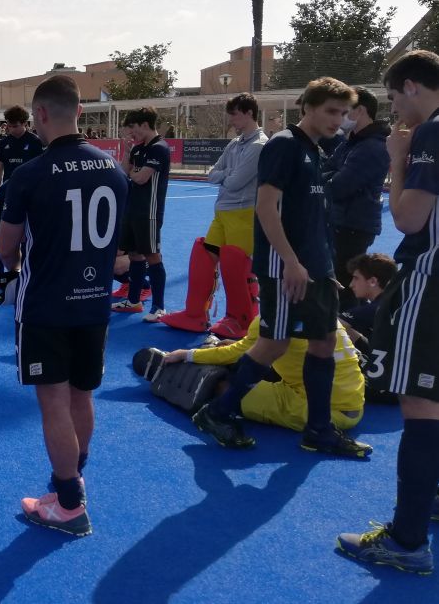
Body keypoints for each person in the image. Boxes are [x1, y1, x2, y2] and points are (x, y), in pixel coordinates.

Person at [192, 77, 372, 458]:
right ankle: (217, 411)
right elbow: (265, 207)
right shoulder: (285, 145)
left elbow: (312, 215)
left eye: (343, 113)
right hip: (285, 267)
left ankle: (319, 430)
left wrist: (325, 270)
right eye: (331, 111)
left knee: (323, 343)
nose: (338, 120)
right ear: (307, 107)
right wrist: (290, 261)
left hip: (316, 269)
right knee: (274, 343)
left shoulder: (315, 150)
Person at [0, 75, 128, 537]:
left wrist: (14, 263)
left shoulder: (29, 174)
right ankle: (71, 481)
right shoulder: (113, 169)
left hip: (46, 305)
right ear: (80, 111)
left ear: (41, 114)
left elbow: (7, 246)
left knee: (52, 400)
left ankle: (69, 503)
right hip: (94, 303)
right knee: (81, 395)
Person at [338, 50, 439, 574]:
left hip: (430, 281)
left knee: (420, 405)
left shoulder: (429, 135)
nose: (396, 109)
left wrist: (399, 158)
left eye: (396, 96)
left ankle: (406, 540)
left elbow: (408, 216)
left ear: (414, 87)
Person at [161, 93, 268, 339]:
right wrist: (227, 174)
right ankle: (195, 314)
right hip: (223, 211)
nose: (231, 120)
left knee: (236, 264)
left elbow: (235, 181)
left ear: (249, 113)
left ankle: (242, 320)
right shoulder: (236, 143)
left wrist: (225, 174)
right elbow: (213, 173)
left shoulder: (259, 146)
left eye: (235, 114)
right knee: (203, 253)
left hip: (243, 214)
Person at [139, 318, 365, 432]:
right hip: (352, 400)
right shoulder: (324, 309)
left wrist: (187, 354)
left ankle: (188, 374)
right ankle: (209, 357)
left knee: (231, 391)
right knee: (253, 358)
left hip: (326, 410)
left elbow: (238, 352)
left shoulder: (275, 314)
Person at [323, 87, 390, 310]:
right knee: (340, 282)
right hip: (342, 221)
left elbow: (340, 187)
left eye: (344, 111)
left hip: (354, 225)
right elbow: (324, 170)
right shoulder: (351, 142)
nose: (339, 117)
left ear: (360, 110)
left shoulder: (372, 146)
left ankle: (352, 333)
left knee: (347, 286)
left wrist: (329, 178)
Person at [111, 107, 170, 322]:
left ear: (145, 125)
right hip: (132, 210)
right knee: (135, 255)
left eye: (133, 129)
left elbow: (141, 178)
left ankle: (159, 307)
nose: (131, 134)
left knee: (152, 255)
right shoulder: (137, 150)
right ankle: (134, 301)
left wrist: (134, 173)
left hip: (149, 212)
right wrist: (127, 152)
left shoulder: (159, 148)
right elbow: (123, 172)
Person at [0, 105, 43, 290]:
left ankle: (24, 275)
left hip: (28, 197)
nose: (10, 129)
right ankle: (0, 277)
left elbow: (41, 171)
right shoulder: (4, 142)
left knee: (23, 237)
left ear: (25, 123)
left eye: (15, 126)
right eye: (8, 125)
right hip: (5, 194)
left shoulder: (35, 142)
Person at [338, 252, 396, 356]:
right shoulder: (394, 302)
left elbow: (333, 324)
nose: (351, 285)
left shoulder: (377, 309)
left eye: (356, 278)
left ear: (373, 281)